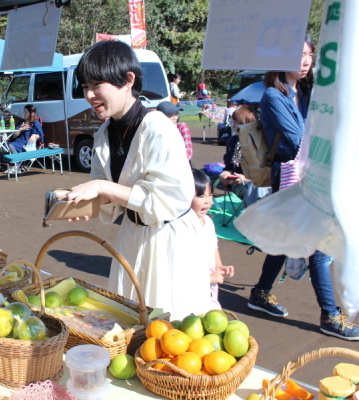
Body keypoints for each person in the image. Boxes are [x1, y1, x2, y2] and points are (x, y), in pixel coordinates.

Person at [65, 40, 210, 320]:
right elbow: (110, 196)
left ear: (128, 80)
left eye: (97, 84)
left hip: (169, 239)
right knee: (132, 318)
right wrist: (87, 203)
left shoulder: (159, 129)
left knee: (171, 328)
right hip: (132, 234)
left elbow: (164, 200)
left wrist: (102, 187)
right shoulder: (103, 133)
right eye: (85, 86)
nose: (89, 94)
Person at [247, 38, 359, 340]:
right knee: (319, 245)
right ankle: (330, 315)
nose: (305, 61)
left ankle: (260, 293)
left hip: (313, 170)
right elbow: (300, 139)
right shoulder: (273, 95)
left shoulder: (309, 91)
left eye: (309, 55)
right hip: (293, 174)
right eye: (298, 55)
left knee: (287, 239)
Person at [191, 169, 234, 309]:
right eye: (200, 196)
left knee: (211, 311)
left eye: (210, 195)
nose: (207, 201)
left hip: (211, 282)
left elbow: (213, 247)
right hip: (196, 284)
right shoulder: (185, 228)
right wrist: (208, 279)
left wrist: (219, 267)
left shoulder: (208, 223)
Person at [218, 106, 271, 206]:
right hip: (238, 183)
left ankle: (255, 216)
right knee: (256, 188)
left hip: (259, 183)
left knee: (258, 187)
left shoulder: (262, 141)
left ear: (247, 124)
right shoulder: (233, 141)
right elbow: (229, 166)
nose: (233, 126)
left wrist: (246, 178)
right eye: (232, 122)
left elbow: (266, 173)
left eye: (236, 123)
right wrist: (224, 174)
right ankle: (255, 217)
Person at [5, 104, 43, 175]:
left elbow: (40, 135)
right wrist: (20, 129)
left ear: (31, 113)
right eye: (24, 112)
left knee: (10, 145)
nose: (24, 114)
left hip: (26, 143)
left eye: (26, 112)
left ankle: (17, 166)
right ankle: (16, 165)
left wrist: (35, 135)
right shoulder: (22, 122)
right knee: (6, 145)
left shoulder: (35, 123)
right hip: (18, 141)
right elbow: (14, 136)